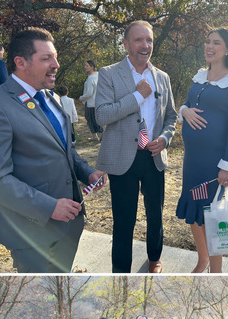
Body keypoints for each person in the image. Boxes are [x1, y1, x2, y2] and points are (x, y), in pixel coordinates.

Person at [0, 28, 105, 273]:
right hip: (32, 233)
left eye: (55, 57)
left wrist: (87, 172)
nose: (56, 64)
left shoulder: (51, 97)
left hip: (70, 226)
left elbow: (65, 150)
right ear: (20, 62)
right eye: (46, 58)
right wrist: (49, 207)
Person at [95, 20, 177, 274]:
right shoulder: (109, 74)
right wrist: (137, 96)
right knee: (124, 221)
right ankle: (121, 272)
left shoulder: (162, 77)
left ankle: (155, 259)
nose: (145, 45)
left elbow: (171, 117)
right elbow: (102, 116)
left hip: (153, 156)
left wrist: (164, 138)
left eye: (149, 40)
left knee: (155, 215)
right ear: (126, 44)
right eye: (139, 40)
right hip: (123, 158)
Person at [176, 27, 228, 273]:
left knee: (213, 215)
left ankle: (215, 270)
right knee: (195, 210)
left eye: (216, 42)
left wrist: (227, 165)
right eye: (207, 41)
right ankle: (202, 259)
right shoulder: (199, 76)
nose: (209, 46)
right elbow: (187, 104)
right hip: (192, 160)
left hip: (213, 162)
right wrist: (183, 112)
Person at [79, 60, 102, 140]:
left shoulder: (90, 79)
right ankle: (102, 135)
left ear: (92, 67)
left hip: (90, 102)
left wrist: (81, 98)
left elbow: (89, 93)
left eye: (87, 66)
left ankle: (95, 136)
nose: (85, 67)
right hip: (99, 101)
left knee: (90, 119)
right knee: (98, 118)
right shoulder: (99, 74)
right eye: (85, 65)